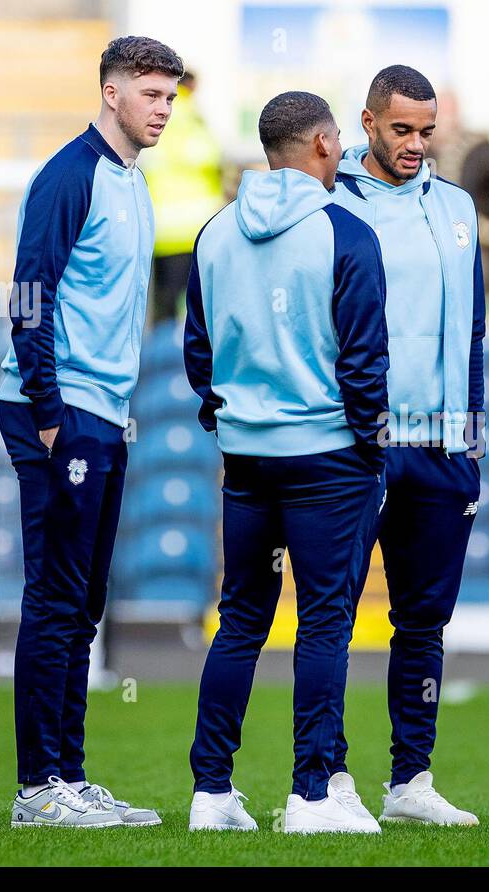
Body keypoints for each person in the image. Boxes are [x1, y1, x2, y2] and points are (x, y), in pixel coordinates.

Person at [184, 91, 390, 835]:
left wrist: (233, 420)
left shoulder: (214, 233)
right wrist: (369, 448)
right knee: (325, 623)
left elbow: (198, 356)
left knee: (239, 619)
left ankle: (211, 793)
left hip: (246, 457)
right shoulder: (346, 233)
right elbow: (366, 363)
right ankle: (310, 796)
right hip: (329, 459)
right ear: (326, 145)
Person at [0, 36, 182, 829]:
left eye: (171, 98)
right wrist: (46, 412)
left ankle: (69, 778)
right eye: (152, 95)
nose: (164, 110)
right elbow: (29, 296)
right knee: (56, 598)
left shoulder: (135, 183)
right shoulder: (68, 175)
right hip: (59, 412)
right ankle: (37, 789)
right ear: (112, 93)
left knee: (85, 605)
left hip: (105, 413)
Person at [329, 64, 485, 826]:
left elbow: (475, 329)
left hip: (442, 448)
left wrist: (473, 431)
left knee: (423, 624)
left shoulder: (459, 207)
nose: (417, 144)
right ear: (367, 123)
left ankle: (410, 782)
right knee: (334, 614)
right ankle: (325, 776)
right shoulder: (330, 206)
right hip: (360, 445)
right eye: (402, 129)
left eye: (427, 130)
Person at [144, 70, 224, 324]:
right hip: (191, 228)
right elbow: (211, 156)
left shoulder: (153, 117)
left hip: (160, 228)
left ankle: (159, 356)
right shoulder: (191, 117)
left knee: (162, 304)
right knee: (195, 305)